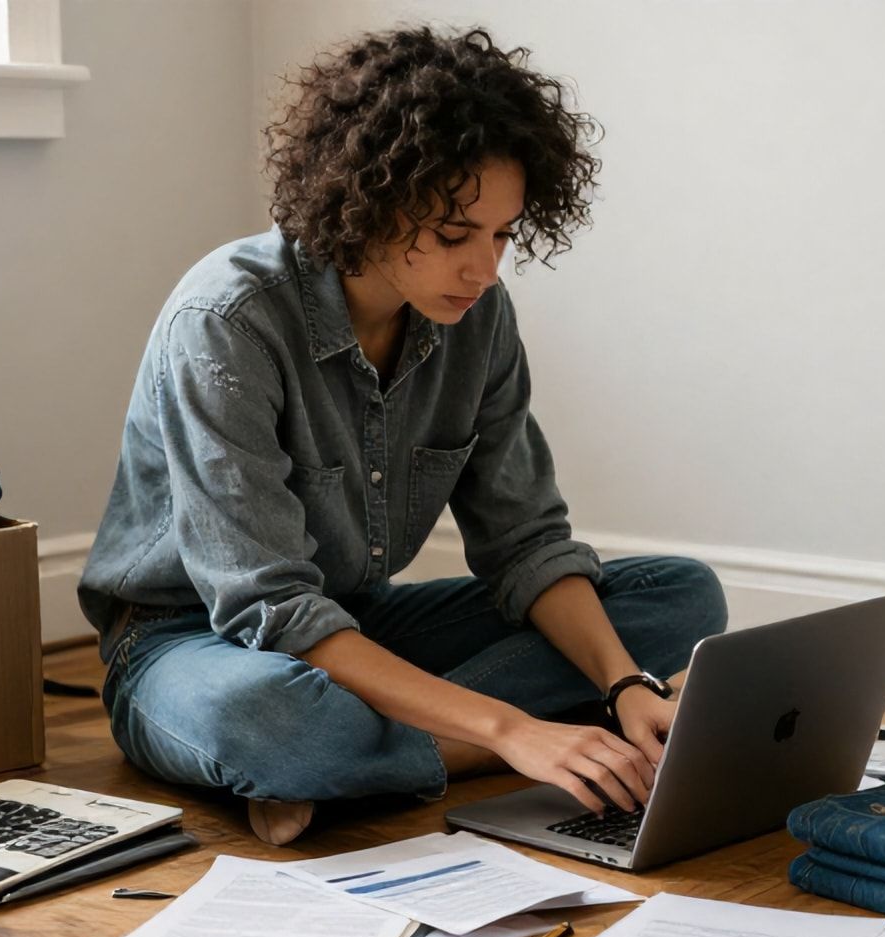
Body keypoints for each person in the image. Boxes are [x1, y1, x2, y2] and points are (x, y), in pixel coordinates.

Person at [78, 26, 727, 845]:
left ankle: (363, 759)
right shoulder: (226, 323)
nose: (485, 270)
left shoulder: (478, 319)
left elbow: (527, 543)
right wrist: (509, 731)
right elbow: (270, 607)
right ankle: (437, 747)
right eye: (457, 236)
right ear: (371, 199)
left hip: (358, 624)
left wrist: (626, 685)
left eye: (503, 234)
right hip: (188, 644)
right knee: (272, 721)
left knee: (680, 595)